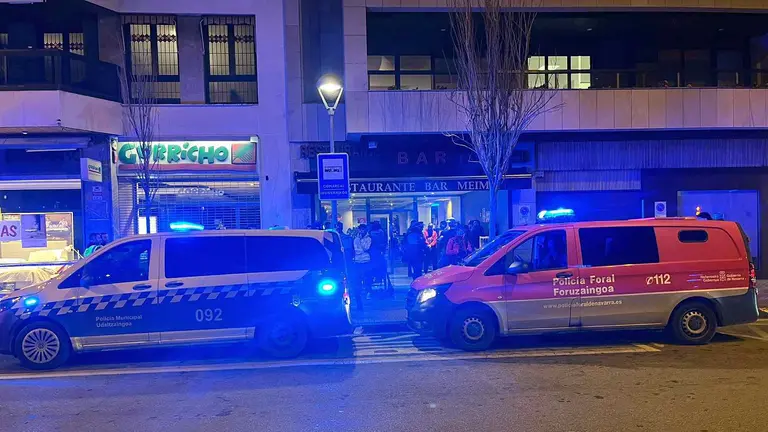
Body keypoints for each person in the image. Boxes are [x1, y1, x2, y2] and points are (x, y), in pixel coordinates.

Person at [352, 224, 372, 310]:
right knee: (358, 278)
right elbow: (355, 249)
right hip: (357, 261)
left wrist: (361, 244)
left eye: (363, 230)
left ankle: (368, 291)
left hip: (366, 260)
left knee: (367, 277)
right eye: (360, 230)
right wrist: (360, 249)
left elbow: (366, 248)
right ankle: (359, 292)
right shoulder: (356, 238)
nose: (361, 231)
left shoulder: (369, 238)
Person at [368, 221, 389, 295]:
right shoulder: (382, 232)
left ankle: (374, 279)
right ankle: (380, 278)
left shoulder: (370, 232)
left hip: (373, 252)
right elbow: (385, 241)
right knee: (381, 268)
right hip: (380, 252)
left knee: (373, 268)